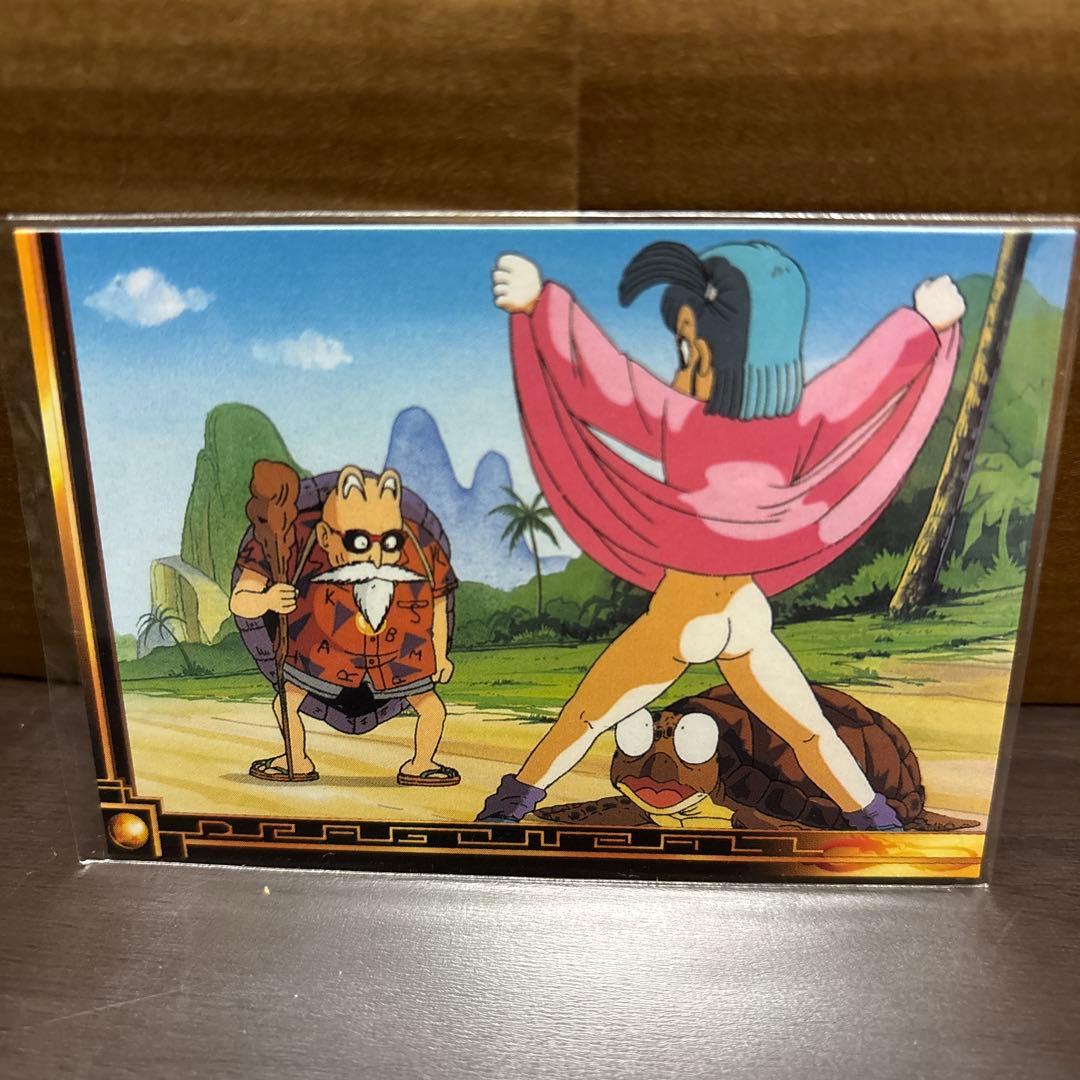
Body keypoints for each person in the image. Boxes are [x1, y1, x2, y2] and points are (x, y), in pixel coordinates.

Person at [477, 240, 965, 827]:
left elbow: (604, 380)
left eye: (688, 348)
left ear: (722, 349)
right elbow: (864, 382)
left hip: (684, 615)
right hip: (745, 616)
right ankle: (876, 820)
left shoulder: (676, 416)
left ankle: (508, 807)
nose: (680, 366)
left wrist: (543, 305)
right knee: (809, 734)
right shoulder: (805, 418)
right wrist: (921, 325)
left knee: (584, 718)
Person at [231, 465, 460, 786]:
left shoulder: (418, 546)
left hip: (399, 654)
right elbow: (240, 600)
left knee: (432, 709)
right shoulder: (289, 538)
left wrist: (439, 652)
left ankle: (421, 763)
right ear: (326, 536)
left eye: (390, 542)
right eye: (359, 542)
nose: (377, 557)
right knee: (286, 702)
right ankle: (295, 759)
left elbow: (438, 598)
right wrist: (267, 600)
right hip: (320, 650)